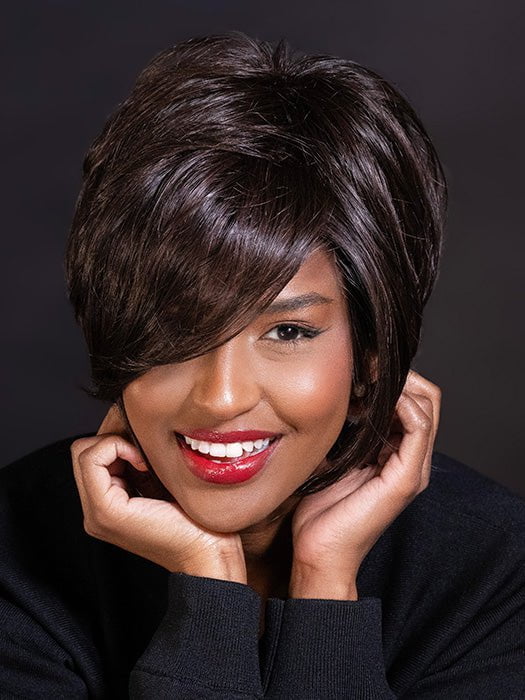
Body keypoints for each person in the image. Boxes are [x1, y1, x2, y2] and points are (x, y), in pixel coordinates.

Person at [1, 31, 523, 699]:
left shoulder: (496, 574)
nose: (221, 397)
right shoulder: (15, 556)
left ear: (370, 357)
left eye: (287, 331)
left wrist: (325, 580)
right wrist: (208, 587)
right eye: (180, 328)